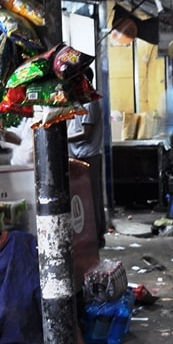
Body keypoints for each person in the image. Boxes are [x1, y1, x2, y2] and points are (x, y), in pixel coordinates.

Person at [69, 96, 108, 248]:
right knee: (86, 199)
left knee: (91, 198)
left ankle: (96, 238)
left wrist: (63, 139)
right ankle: (92, 236)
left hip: (88, 155)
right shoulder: (78, 102)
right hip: (79, 154)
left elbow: (87, 133)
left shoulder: (89, 103)